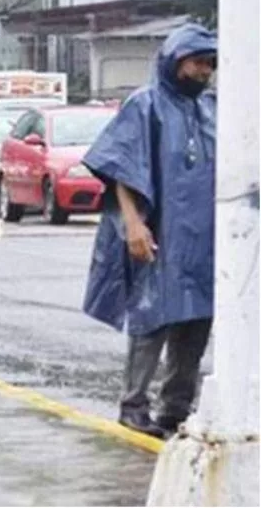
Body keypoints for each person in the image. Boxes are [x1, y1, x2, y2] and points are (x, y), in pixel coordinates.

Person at [81, 23, 217, 439]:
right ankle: (134, 405)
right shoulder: (146, 105)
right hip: (162, 230)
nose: (204, 71)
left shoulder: (210, 109)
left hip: (205, 236)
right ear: (176, 61)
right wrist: (134, 223)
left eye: (210, 64)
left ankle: (175, 408)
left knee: (197, 319)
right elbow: (121, 166)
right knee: (152, 315)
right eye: (197, 63)